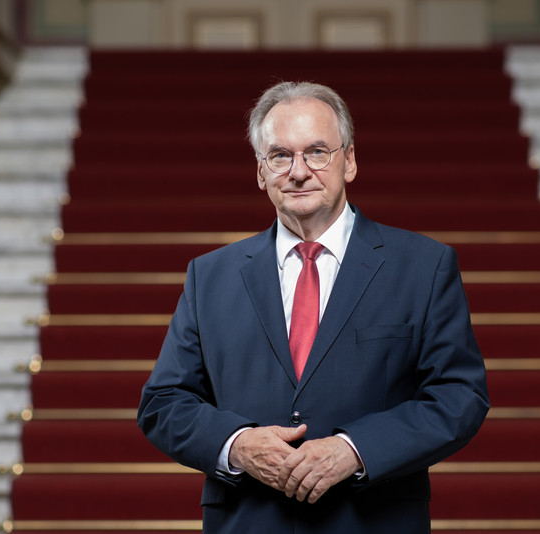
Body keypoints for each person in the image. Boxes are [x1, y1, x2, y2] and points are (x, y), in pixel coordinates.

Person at [138, 81, 489, 533]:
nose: (299, 171)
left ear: (350, 161)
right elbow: (164, 403)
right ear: (261, 172)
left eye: (317, 152)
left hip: (372, 521)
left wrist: (354, 448)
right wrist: (239, 444)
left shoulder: (424, 266)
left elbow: (460, 396)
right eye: (280, 156)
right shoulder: (210, 276)